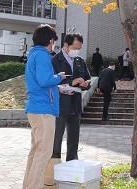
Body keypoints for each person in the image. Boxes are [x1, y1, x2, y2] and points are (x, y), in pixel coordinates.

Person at [22, 24, 65, 189]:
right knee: (44, 152)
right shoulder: (43, 55)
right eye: (54, 40)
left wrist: (56, 86)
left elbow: (40, 82)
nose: (54, 44)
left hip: (35, 108)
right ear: (50, 40)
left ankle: (28, 186)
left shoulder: (33, 54)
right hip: (44, 110)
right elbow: (45, 80)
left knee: (35, 152)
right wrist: (59, 77)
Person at [46, 33, 91, 183]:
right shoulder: (54, 60)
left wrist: (86, 84)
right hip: (59, 106)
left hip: (75, 106)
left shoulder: (80, 61)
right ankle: (52, 176)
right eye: (75, 47)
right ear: (66, 45)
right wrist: (71, 83)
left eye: (79, 48)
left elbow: (88, 78)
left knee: (73, 142)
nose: (77, 51)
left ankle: (71, 175)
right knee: (55, 141)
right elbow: (50, 81)